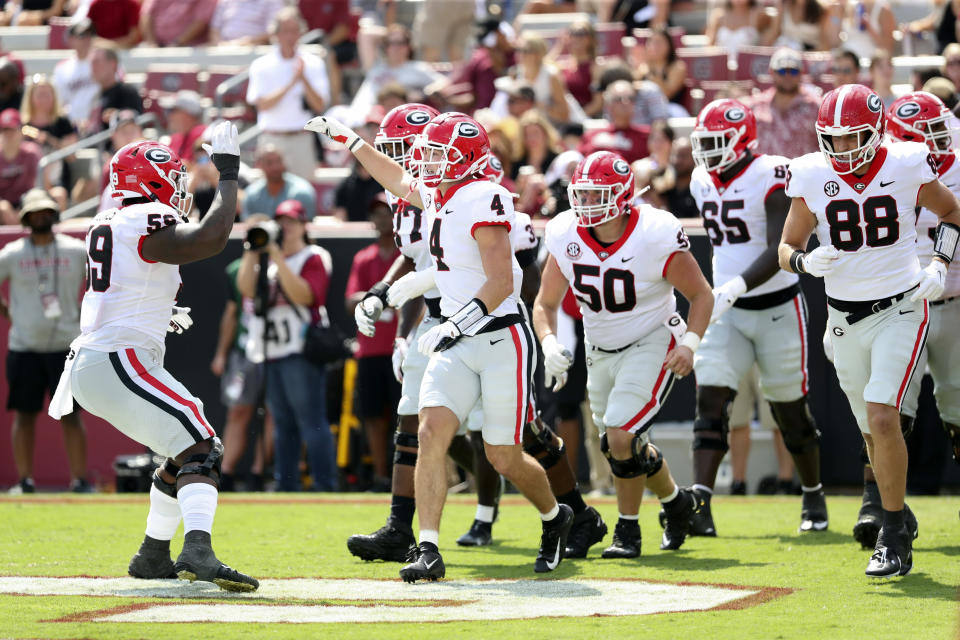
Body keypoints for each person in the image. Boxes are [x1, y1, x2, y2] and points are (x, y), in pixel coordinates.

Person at [308, 110, 576, 581]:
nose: (426, 163)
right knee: (430, 434)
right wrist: (350, 141)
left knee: (502, 455)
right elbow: (395, 178)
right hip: (454, 335)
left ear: (467, 158)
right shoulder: (439, 191)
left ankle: (557, 518)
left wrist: (458, 323)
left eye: (436, 153)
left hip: (498, 337)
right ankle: (428, 548)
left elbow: (501, 280)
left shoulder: (485, 196)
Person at [47, 122, 258, 591]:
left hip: (102, 359)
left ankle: (152, 554)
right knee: (202, 443)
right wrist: (228, 173)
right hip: (116, 357)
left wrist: (158, 311)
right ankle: (198, 551)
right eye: (174, 179)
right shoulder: (144, 219)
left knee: (181, 450)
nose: (179, 190)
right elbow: (212, 238)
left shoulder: (110, 220)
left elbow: (127, 280)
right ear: (149, 178)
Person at [778, 84, 960, 577]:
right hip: (842, 318)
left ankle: (893, 531)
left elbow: (952, 212)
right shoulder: (812, 173)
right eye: (831, 139)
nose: (841, 149)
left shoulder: (905, 162)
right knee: (871, 431)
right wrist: (804, 261)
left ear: (878, 130)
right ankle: (900, 514)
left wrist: (939, 263)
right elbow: (786, 246)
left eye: (852, 137)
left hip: (901, 306)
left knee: (884, 417)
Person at [534, 150, 711, 559]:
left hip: (653, 339)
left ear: (622, 197)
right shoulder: (566, 233)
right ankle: (677, 504)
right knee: (622, 445)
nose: (586, 204)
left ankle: (627, 531)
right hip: (600, 348)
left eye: (597, 196)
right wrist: (548, 343)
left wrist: (690, 344)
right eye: (582, 194)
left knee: (620, 435)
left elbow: (701, 294)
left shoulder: (653, 231)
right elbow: (545, 303)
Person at [687, 99, 826, 535]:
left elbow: (780, 247)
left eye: (716, 143)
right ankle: (701, 504)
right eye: (703, 143)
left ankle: (812, 494)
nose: (707, 153)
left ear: (743, 140)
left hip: (775, 307)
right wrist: (726, 292)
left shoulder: (770, 172)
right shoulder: (699, 178)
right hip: (727, 311)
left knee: (790, 411)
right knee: (710, 400)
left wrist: (735, 287)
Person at [865, 91, 960, 535]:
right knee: (886, 409)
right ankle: (878, 506)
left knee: (957, 410)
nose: (942, 141)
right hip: (900, 307)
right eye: (930, 135)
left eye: (942, 130)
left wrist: (940, 262)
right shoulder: (883, 170)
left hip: (954, 300)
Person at [236, 198, 335, 492]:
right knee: (281, 423)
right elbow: (246, 289)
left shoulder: (314, 256)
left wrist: (278, 257)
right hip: (273, 350)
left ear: (304, 225)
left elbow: (306, 296)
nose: (285, 228)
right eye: (281, 223)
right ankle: (286, 484)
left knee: (310, 420)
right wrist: (253, 252)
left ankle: (323, 484)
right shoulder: (267, 261)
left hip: (301, 349)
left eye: (292, 222)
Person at [1, 189, 88, 494]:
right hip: (24, 346)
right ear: (25, 217)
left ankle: (80, 480)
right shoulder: (12, 254)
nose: (41, 216)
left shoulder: (76, 250)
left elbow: (101, 285)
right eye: (34, 212)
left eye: (46, 211)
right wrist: (9, 313)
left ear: (55, 213)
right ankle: (25, 481)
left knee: (71, 416)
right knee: (24, 415)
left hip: (66, 346)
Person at [210, 219, 274, 492]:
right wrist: (221, 354)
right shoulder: (236, 269)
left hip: (276, 349)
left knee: (273, 413)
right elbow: (231, 312)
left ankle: (260, 469)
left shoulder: (280, 266)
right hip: (244, 350)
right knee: (238, 410)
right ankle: (226, 471)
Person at [345, 196, 402, 491]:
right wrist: (378, 296)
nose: (381, 219)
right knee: (372, 417)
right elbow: (350, 299)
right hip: (370, 350)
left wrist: (376, 297)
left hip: (400, 348)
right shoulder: (364, 258)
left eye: (386, 212)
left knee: (403, 416)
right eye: (376, 213)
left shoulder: (407, 255)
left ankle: (404, 477)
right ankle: (382, 475)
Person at [246, 6, 330, 182]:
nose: (290, 36)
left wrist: (304, 79)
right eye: (285, 31)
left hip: (302, 139)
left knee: (303, 194)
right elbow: (262, 104)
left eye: (294, 31)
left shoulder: (313, 63)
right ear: (275, 34)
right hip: (271, 140)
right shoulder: (261, 65)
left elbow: (319, 105)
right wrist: (291, 83)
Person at [348, 24, 444, 117]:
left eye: (401, 43)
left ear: (408, 46)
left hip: (383, 118)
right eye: (391, 43)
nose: (396, 48)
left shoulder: (417, 68)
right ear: (385, 47)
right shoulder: (375, 66)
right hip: (357, 113)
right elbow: (366, 34)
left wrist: (424, 93)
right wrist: (393, 31)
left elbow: (444, 82)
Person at [743, 48, 820, 159]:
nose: (787, 76)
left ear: (801, 73)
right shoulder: (754, 106)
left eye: (793, 71)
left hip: (803, 174)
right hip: (764, 174)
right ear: (771, 72)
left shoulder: (816, 107)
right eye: (782, 71)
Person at [21, 74, 79, 209]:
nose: (44, 99)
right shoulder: (22, 125)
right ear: (31, 98)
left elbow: (72, 156)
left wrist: (50, 140)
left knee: (59, 194)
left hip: (57, 180)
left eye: (47, 94)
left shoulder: (62, 123)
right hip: (28, 180)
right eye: (40, 95)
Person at [578, 80, 650, 163]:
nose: (626, 102)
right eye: (619, 99)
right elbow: (578, 162)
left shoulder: (647, 136)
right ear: (608, 105)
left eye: (630, 98)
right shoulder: (591, 135)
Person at [241, 146, 316, 221]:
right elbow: (248, 224)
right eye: (269, 163)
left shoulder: (302, 192)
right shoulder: (251, 194)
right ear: (259, 165)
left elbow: (306, 226)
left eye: (278, 161)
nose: (275, 167)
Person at [51, 18, 98, 128]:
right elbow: (59, 103)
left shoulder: (104, 62)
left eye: (90, 35)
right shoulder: (62, 68)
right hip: (72, 127)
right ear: (70, 39)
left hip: (99, 126)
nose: (87, 39)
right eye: (82, 35)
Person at [0, 109, 41, 225]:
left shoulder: (32, 153)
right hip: (3, 206)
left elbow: (42, 185)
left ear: (21, 131)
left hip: (29, 200)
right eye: (4, 130)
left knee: (59, 194)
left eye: (12, 130)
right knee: (3, 207)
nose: (9, 135)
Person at [89, 46, 143, 134]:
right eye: (91, 63)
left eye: (96, 62)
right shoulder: (96, 96)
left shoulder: (127, 92)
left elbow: (135, 121)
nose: (93, 68)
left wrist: (117, 116)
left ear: (113, 64)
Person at [636, 27, 688, 112]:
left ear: (669, 45)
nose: (654, 46)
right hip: (647, 109)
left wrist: (653, 74)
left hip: (671, 109)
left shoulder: (677, 67)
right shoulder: (643, 67)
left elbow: (667, 95)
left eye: (658, 42)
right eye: (651, 42)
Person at [705, 0, 773, 62]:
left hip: (746, 69)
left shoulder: (760, 16)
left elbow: (768, 41)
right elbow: (709, 47)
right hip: (721, 68)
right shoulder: (718, 15)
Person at [139, 0, 217, 48]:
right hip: (155, 46)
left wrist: (176, 43)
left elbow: (201, 21)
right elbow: (146, 15)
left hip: (189, 47)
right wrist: (151, 43)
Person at [209, 0, 285, 47]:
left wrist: (244, 42)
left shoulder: (272, 1)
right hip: (222, 49)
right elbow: (214, 29)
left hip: (254, 48)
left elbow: (272, 31)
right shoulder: (226, 1)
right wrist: (220, 44)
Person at [160, 90, 206, 164]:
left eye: (172, 110)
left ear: (187, 114)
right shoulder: (176, 138)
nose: (169, 115)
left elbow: (202, 168)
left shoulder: (203, 135)